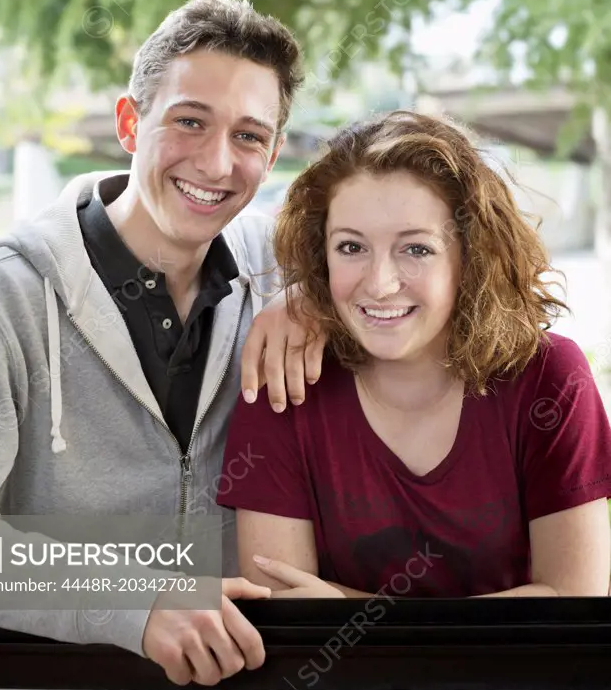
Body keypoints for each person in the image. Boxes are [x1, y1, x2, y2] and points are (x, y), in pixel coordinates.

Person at [0, 0, 326, 687]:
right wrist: (133, 601)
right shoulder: (0, 299)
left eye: (248, 136)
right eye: (190, 121)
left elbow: (422, 262)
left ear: (273, 153)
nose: (215, 162)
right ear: (129, 122)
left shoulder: (278, 266)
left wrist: (318, 298)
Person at [218, 110, 611, 600]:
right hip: (342, 682)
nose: (380, 284)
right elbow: (283, 614)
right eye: (351, 247)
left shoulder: (550, 378)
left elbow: (573, 604)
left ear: (472, 256)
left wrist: (347, 609)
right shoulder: (284, 382)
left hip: (520, 681)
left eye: (417, 250)